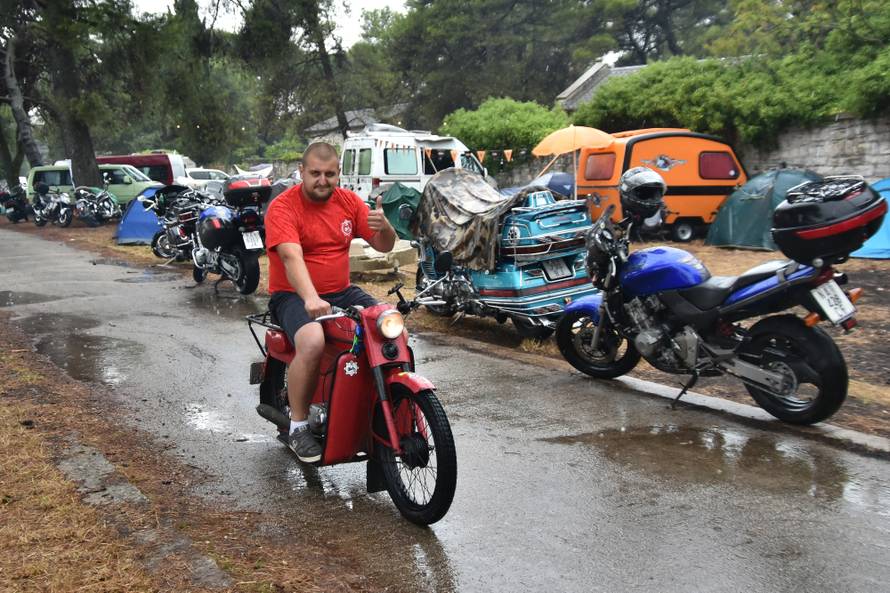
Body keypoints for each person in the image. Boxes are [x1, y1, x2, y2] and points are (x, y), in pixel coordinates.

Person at [264, 142, 397, 462]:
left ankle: (388, 408)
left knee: (391, 326)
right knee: (312, 340)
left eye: (329, 174)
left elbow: (384, 246)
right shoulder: (283, 207)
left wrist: (385, 226)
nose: (322, 180)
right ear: (301, 172)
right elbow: (291, 257)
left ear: (339, 173)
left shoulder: (348, 201)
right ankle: (298, 427)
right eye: (315, 173)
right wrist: (310, 297)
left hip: (341, 290)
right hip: (292, 295)